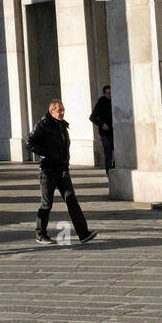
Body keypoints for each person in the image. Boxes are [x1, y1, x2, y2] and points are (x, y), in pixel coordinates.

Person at [27, 99, 98, 244]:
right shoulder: (42, 125)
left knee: (71, 200)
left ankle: (83, 233)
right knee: (47, 204)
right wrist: (45, 155)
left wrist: (65, 164)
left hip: (62, 170)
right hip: (48, 170)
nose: (62, 112)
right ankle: (40, 234)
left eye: (63, 109)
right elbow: (30, 143)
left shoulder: (62, 125)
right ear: (51, 110)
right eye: (59, 110)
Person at [89, 85, 114, 172]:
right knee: (108, 154)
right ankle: (109, 173)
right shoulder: (101, 102)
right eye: (108, 93)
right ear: (104, 94)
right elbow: (92, 117)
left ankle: (113, 171)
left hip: (115, 132)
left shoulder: (115, 101)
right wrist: (102, 124)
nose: (110, 95)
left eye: (111, 93)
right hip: (105, 133)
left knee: (117, 155)